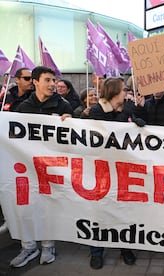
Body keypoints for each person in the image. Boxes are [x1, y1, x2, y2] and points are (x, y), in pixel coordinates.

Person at [10, 66, 73, 268]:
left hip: (51, 168)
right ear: (36, 82)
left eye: (54, 80)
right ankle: (28, 246)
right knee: (25, 206)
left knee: (48, 206)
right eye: (47, 80)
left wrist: (71, 124)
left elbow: (72, 140)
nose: (52, 84)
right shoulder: (22, 108)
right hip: (26, 167)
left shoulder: (64, 106)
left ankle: (47, 245)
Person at [86, 77, 139, 269]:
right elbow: (106, 132)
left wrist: (137, 120)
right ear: (114, 92)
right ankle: (96, 251)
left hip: (123, 169)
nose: (126, 92)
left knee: (123, 211)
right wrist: (119, 114)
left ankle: (125, 249)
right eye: (123, 89)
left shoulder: (128, 107)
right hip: (101, 169)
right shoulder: (97, 110)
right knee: (99, 211)